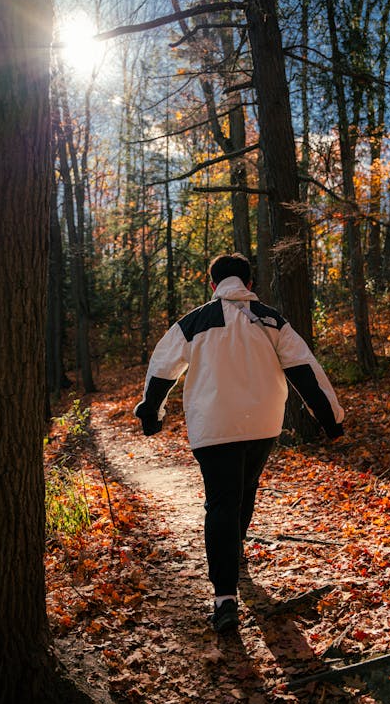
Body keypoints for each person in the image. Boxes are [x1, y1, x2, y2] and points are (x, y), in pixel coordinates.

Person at [134, 253, 344, 633]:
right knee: (245, 488)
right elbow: (305, 369)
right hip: (263, 426)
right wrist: (329, 419)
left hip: (213, 428)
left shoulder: (194, 322)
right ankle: (236, 549)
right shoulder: (270, 319)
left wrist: (151, 413)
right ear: (248, 284)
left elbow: (161, 368)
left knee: (221, 501)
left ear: (212, 285)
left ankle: (225, 598)